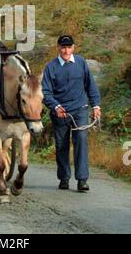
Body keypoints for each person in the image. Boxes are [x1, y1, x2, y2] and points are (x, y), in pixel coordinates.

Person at [42, 35, 102, 192]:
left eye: (69, 47)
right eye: (63, 47)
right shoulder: (51, 67)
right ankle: (64, 178)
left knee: (81, 141)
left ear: (73, 47)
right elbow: (46, 92)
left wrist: (96, 106)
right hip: (60, 112)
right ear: (58, 48)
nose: (66, 50)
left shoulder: (81, 62)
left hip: (80, 109)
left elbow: (91, 85)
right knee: (61, 145)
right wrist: (55, 107)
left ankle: (82, 180)